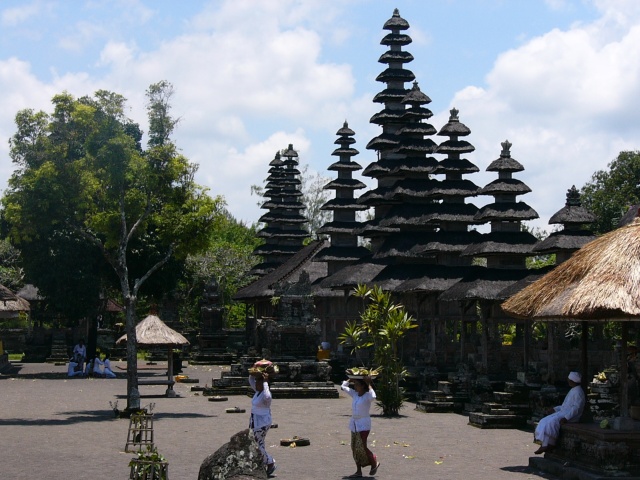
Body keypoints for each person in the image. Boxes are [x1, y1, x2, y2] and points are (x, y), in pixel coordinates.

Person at [534, 371, 586, 454]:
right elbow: (565, 406)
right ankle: (543, 444)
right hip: (563, 412)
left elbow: (576, 408)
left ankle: (551, 444)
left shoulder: (579, 392)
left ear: (572, 381)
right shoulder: (573, 390)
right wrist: (555, 409)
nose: (568, 381)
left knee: (552, 422)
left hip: (571, 416)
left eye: (569, 379)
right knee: (543, 421)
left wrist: (566, 418)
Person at [341, 376, 380, 478]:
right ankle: (358, 471)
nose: (355, 387)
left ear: (363, 386)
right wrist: (351, 378)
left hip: (363, 424)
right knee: (354, 447)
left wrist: (368, 383)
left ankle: (373, 460)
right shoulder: (355, 394)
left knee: (361, 446)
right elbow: (343, 387)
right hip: (354, 423)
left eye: (358, 385)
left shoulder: (367, 396)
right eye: (355, 385)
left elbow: (374, 396)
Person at [249, 371, 277, 477]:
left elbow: (268, 396)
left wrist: (265, 382)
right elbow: (251, 380)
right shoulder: (257, 392)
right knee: (257, 443)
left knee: (256, 444)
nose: (256, 384)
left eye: (258, 383)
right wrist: (253, 372)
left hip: (262, 423)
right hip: (254, 420)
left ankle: (270, 461)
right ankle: (261, 462)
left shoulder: (265, 395)